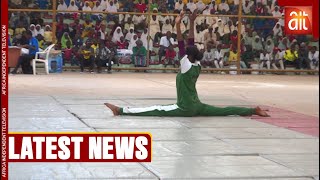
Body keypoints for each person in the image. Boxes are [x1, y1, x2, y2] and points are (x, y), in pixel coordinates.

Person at [105, 10, 269, 117]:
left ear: (187, 55)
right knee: (224, 110)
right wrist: (191, 22)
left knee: (155, 109)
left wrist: (177, 24)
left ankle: (120, 110)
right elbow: (189, 41)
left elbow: (183, 41)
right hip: (197, 106)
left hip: (185, 108)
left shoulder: (186, 64)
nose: (183, 50)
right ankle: (253, 110)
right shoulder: (197, 64)